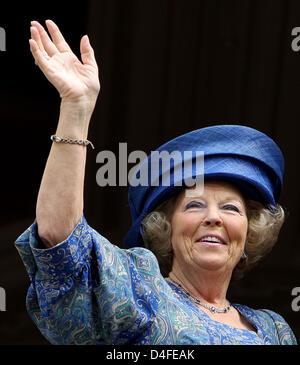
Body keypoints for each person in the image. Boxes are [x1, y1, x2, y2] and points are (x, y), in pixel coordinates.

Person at [15, 20, 297, 345]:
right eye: (194, 204)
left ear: (250, 232)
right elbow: (63, 244)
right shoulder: (142, 292)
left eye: (231, 208)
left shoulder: (275, 330)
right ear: (167, 228)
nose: (214, 217)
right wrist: (76, 109)